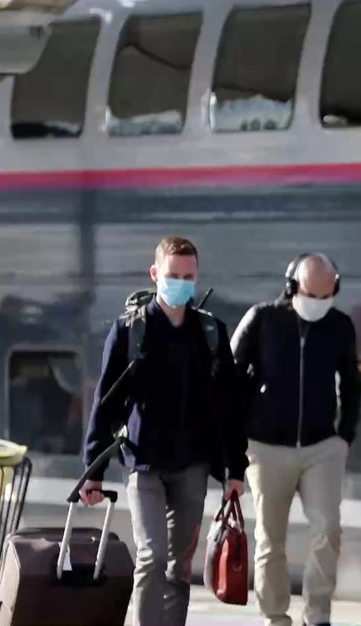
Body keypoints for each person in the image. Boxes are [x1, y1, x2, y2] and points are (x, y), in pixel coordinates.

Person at [80, 236, 246, 626]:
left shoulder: (211, 333)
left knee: (178, 566)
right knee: (151, 556)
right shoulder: (129, 330)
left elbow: (229, 405)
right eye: (173, 276)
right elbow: (105, 400)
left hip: (193, 464)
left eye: (189, 277)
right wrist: (94, 468)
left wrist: (234, 469)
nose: (182, 284)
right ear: (155, 274)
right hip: (144, 461)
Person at [231, 253, 361, 626]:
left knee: (329, 529)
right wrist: (236, 441)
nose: (318, 303)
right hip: (266, 447)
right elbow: (231, 381)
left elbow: (353, 384)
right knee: (270, 539)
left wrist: (344, 436)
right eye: (311, 294)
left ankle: (317, 614)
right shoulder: (263, 319)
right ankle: (275, 616)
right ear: (291, 288)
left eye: (326, 296)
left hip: (322, 446)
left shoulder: (340, 327)